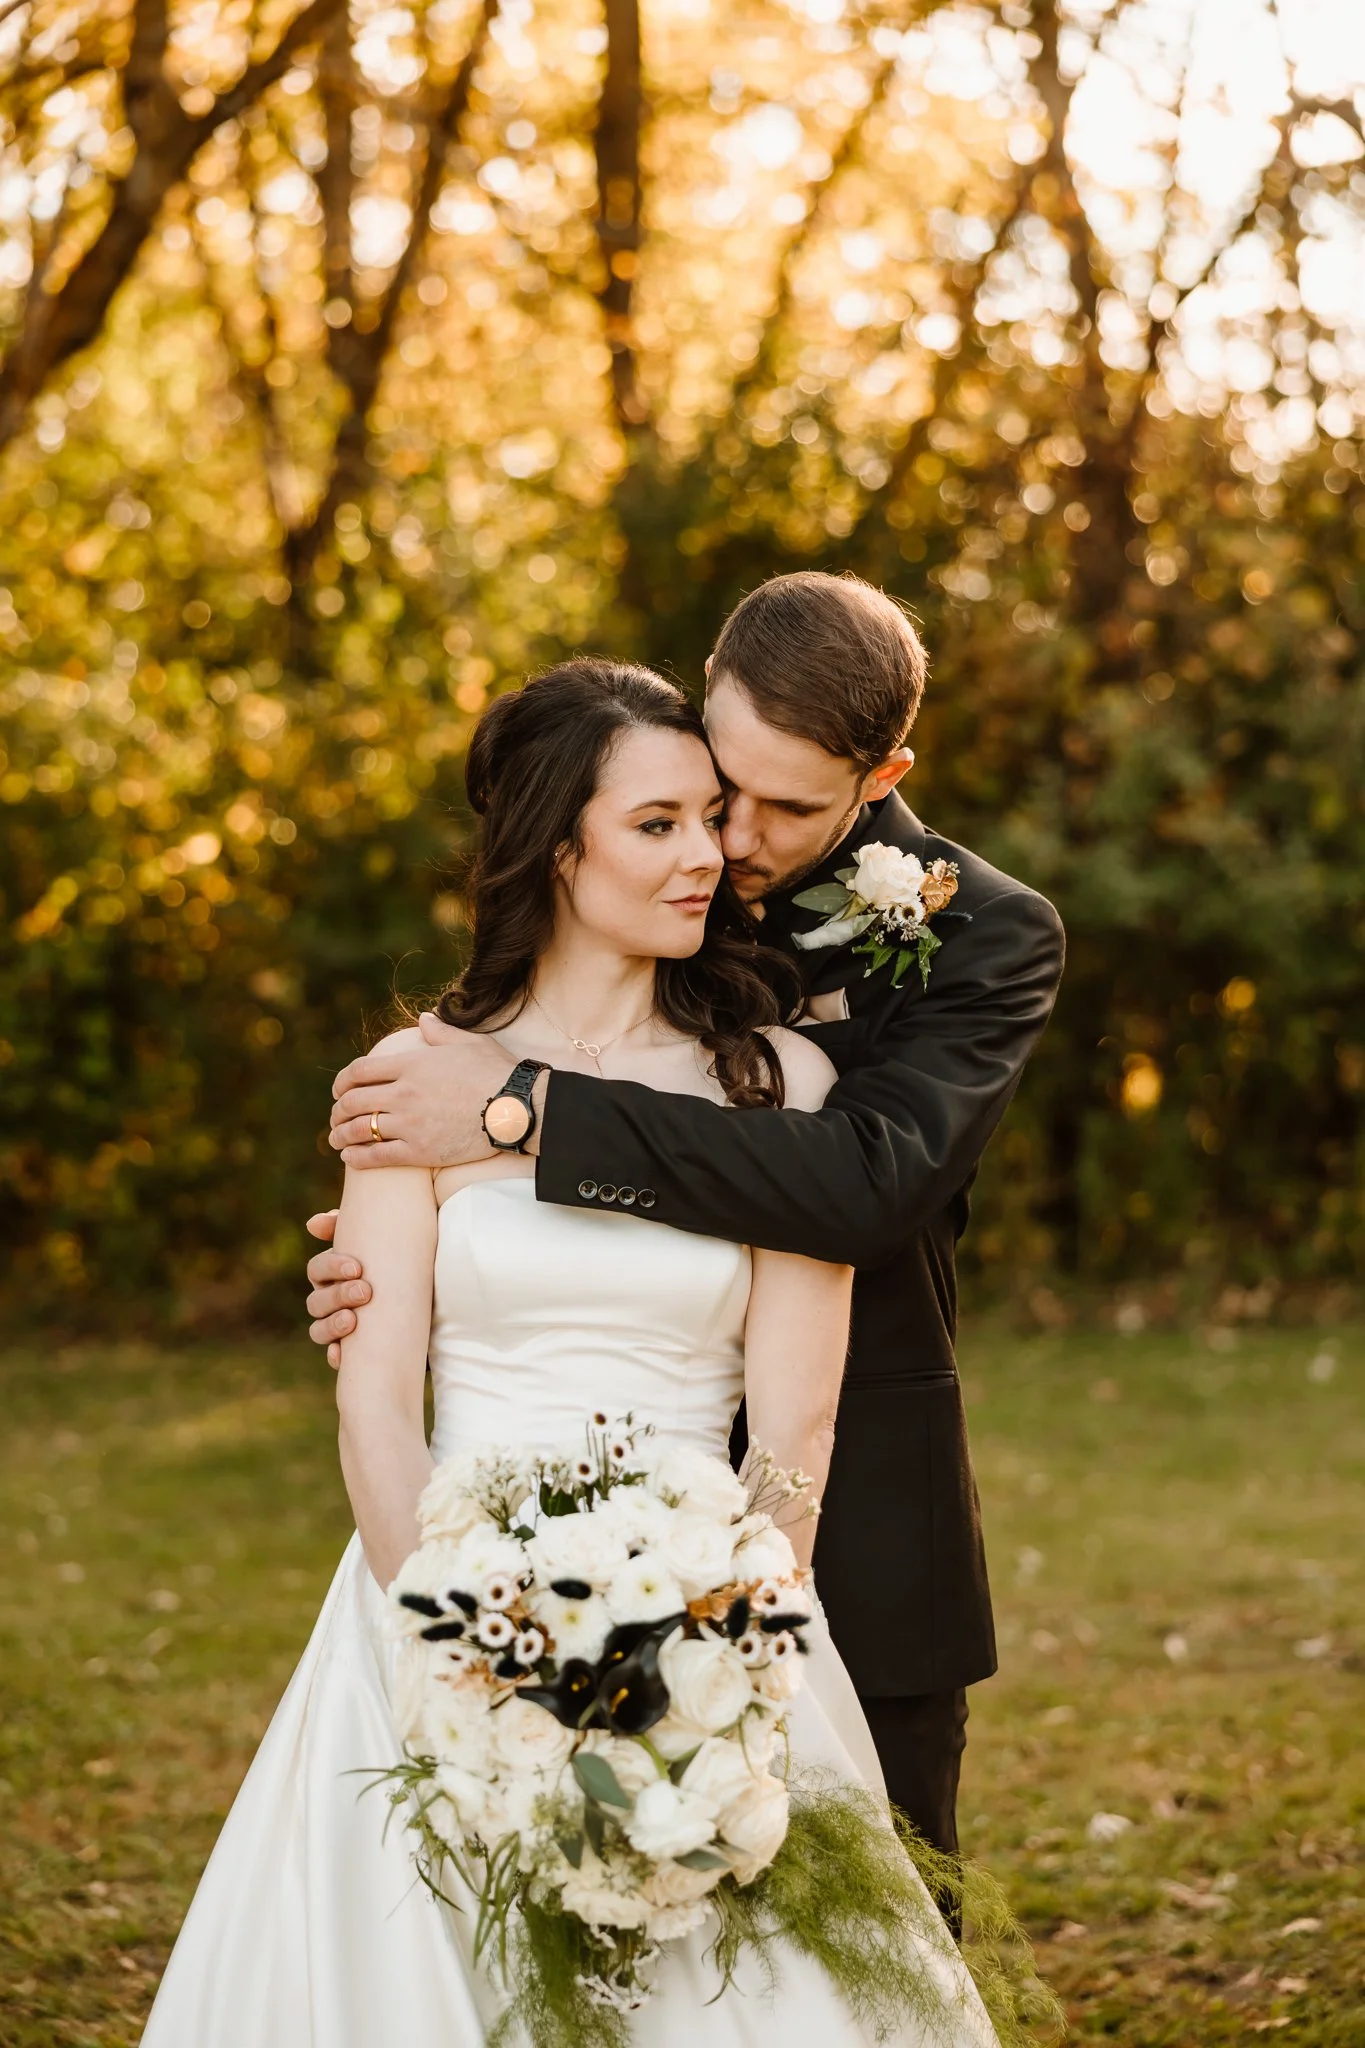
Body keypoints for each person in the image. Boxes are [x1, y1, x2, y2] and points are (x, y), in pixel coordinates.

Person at [142, 658, 998, 2047]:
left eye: (710, 820)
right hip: (434, 1609)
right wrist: (464, 1652)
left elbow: (798, 1424)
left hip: (716, 1616)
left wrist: (724, 1655)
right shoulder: (411, 1079)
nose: (712, 856)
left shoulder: (779, 1083)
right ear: (556, 844)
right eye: (658, 825)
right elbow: (375, 1410)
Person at [307, 572, 1066, 1861]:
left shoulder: (984, 937)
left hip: (838, 1508)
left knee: (863, 1918)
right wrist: (401, 1260)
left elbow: (862, 1187)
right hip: (508, 1533)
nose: (735, 846)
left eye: (789, 807)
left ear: (884, 775)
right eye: (718, 791)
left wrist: (521, 1117)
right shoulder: (643, 827)